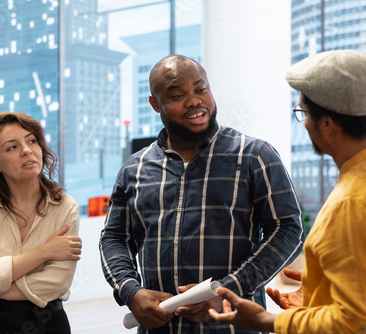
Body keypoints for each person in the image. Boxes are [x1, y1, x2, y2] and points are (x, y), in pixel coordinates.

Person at [209, 49, 366, 333]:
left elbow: (358, 324)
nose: (304, 123)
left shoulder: (354, 203)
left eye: (303, 113)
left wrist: (264, 320)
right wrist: (324, 292)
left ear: (326, 123)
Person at [99, 54, 305, 333]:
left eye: (201, 89)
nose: (194, 101)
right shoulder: (134, 169)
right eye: (177, 94)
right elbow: (114, 238)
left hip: (233, 326)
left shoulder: (254, 156)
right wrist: (130, 291)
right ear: (155, 104)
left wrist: (227, 290)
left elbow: (287, 229)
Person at [0, 112, 82, 333]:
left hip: (49, 321)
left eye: (32, 141)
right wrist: (44, 252)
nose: (27, 150)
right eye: (12, 147)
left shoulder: (66, 207)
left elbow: (58, 283)